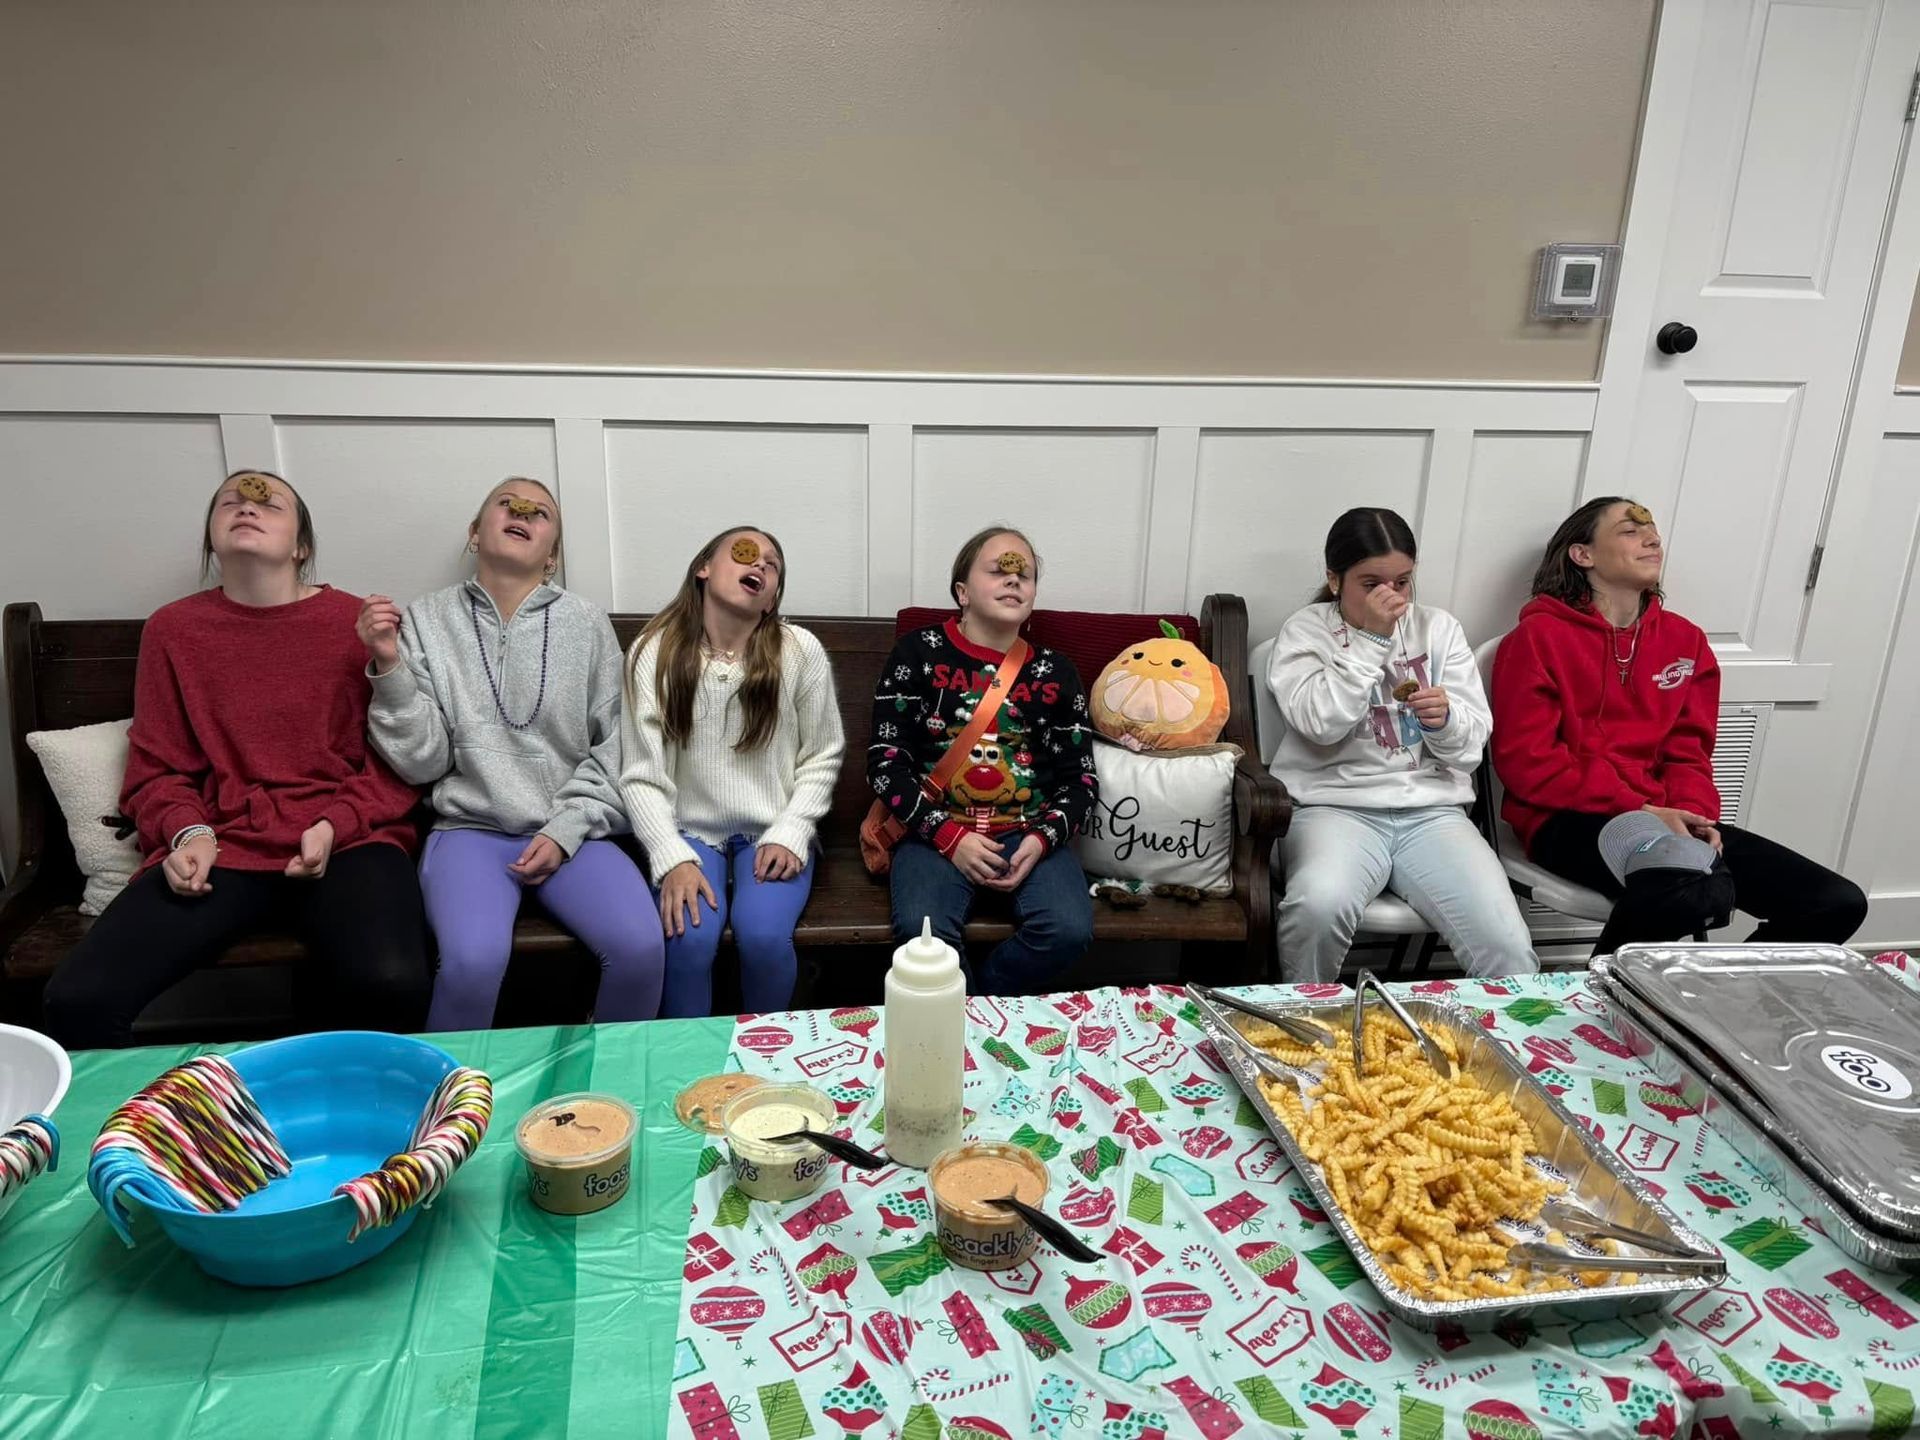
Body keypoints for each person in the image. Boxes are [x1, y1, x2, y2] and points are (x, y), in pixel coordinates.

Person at [42, 470, 429, 1048]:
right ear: (211, 539)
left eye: (270, 504)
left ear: (300, 547)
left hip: (347, 840)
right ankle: (166, 1127)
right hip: (226, 845)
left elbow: (396, 765)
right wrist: (187, 834)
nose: (248, 508)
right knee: (77, 999)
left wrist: (333, 824)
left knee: (391, 980)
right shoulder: (173, 630)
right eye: (231, 503)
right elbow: (156, 769)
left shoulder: (358, 625)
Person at [1491, 495, 1867, 953]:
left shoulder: (1684, 641)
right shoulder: (1535, 639)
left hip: (1669, 818)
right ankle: (1600, 1003)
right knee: (1688, 886)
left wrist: (1696, 815)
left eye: (1653, 533)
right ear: (1582, 554)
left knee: (1835, 903)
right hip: (1568, 818)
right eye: (1629, 532)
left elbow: (1689, 751)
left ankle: (1715, 999)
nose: (1651, 539)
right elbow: (1529, 764)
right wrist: (1642, 809)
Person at [361, 477, 665, 1029]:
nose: (522, 512)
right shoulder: (426, 620)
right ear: (476, 533)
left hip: (573, 829)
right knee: (472, 963)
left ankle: (612, 1099)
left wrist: (566, 828)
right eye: (507, 503)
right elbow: (420, 761)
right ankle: (454, 1110)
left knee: (642, 950)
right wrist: (389, 666)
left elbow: (619, 747)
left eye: (540, 512)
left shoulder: (586, 623)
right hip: (469, 831)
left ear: (552, 558)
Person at [1265, 507, 1537, 981]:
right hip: (1333, 809)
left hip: (1432, 813)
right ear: (1335, 580)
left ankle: (1509, 1046)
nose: (1391, 597)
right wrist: (1371, 640)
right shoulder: (1306, 631)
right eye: (1371, 584)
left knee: (1506, 941)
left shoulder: (1439, 629)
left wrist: (1445, 721)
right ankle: (1300, 1029)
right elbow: (1320, 725)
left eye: (1403, 582)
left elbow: (1469, 751)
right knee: (1317, 908)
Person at [620, 527, 843, 1016]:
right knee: (688, 940)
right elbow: (641, 773)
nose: (760, 565)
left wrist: (793, 829)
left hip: (773, 830)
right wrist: (669, 854)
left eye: (773, 565)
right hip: (688, 830)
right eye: (745, 554)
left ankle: (765, 1064)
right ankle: (692, 1071)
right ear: (704, 568)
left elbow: (822, 754)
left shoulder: (799, 650)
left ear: (771, 600)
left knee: (763, 937)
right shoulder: (653, 652)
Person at [869, 525, 1098, 996]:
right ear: (962, 592)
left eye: (1025, 575)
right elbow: (885, 765)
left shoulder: (1057, 671)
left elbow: (1081, 781)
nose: (1014, 581)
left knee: (1068, 931)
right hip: (934, 830)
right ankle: (969, 1034)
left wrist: (1042, 837)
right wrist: (950, 837)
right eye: (998, 571)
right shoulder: (917, 654)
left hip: (1028, 831)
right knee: (922, 935)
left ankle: (979, 1015)